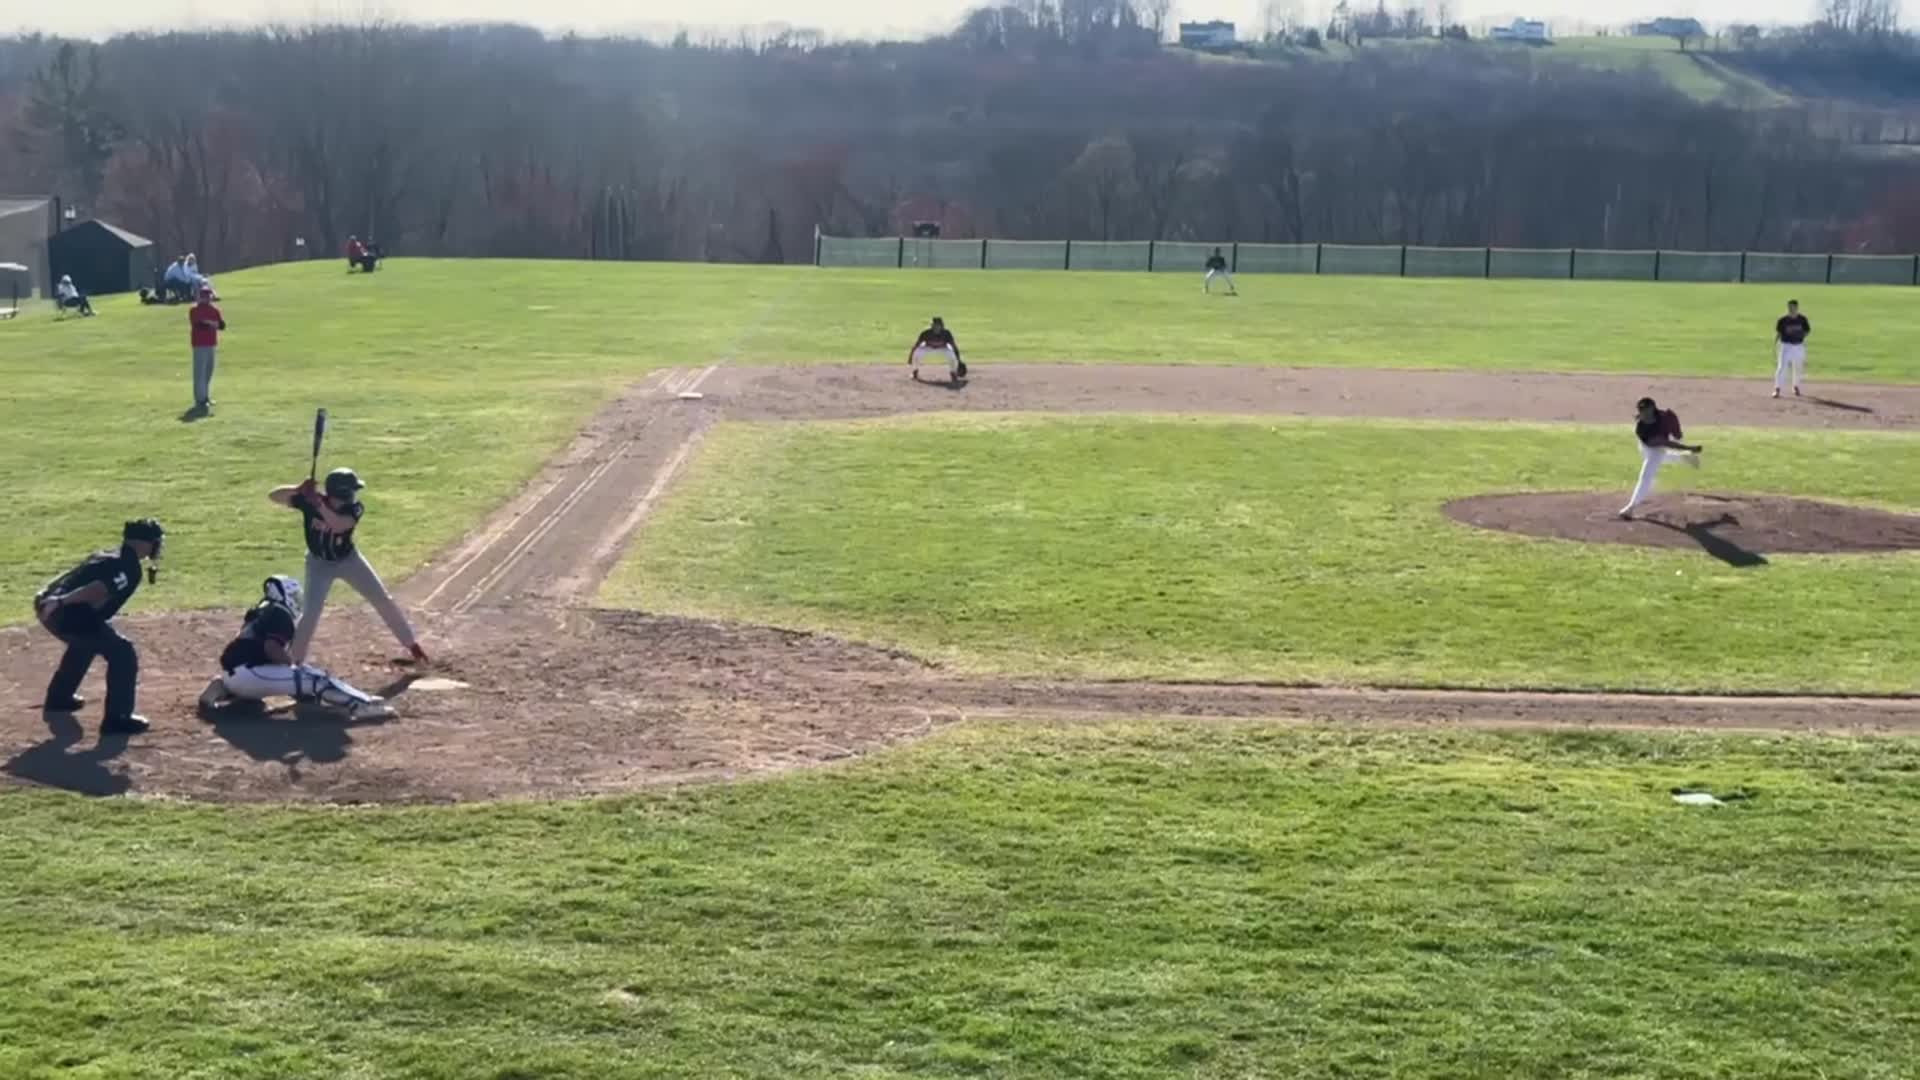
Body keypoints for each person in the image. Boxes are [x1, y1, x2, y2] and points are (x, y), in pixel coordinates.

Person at [271, 467, 428, 665]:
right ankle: (293, 663)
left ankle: (412, 645)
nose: (355, 494)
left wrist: (317, 502)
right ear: (344, 492)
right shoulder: (310, 502)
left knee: (381, 599)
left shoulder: (354, 509)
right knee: (310, 614)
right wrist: (297, 489)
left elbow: (339, 524)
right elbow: (274, 496)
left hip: (349, 561)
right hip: (318, 565)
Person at [33, 519, 166, 735]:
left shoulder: (107, 554)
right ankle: (118, 718)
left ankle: (59, 698)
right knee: (123, 652)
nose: (157, 546)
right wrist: (61, 601)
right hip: (66, 612)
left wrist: (48, 596)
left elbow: (71, 575)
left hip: (51, 607)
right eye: (154, 542)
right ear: (142, 543)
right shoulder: (128, 566)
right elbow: (98, 588)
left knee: (86, 643)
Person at [198, 575, 395, 720]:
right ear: (285, 595)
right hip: (251, 676)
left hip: (236, 673)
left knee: (299, 679)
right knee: (316, 679)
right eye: (295, 595)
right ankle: (360, 706)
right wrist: (294, 669)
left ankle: (221, 687)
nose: (298, 600)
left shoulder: (262, 610)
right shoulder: (280, 614)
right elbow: (272, 649)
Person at [1617, 397, 1703, 521]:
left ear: (1652, 408)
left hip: (1658, 449)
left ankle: (1631, 507)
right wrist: (1689, 448)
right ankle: (1685, 457)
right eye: (1641, 411)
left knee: (1646, 474)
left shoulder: (1665, 418)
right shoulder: (1641, 428)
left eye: (1645, 410)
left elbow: (1673, 438)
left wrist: (1677, 432)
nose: (1643, 414)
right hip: (1647, 445)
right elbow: (1666, 443)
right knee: (1658, 459)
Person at [188, 284, 225, 413]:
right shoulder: (194, 310)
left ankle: (205, 396)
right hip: (199, 344)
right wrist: (211, 323)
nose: (206, 298)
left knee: (208, 371)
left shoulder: (214, 310)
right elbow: (199, 325)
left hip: (211, 343)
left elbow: (222, 325)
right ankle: (200, 399)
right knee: (199, 373)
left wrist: (211, 323)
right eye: (204, 296)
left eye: (208, 295)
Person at [908, 316, 966, 383]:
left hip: (943, 347)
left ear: (941, 326)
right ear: (932, 326)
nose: (936, 327)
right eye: (934, 325)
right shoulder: (925, 333)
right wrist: (910, 357)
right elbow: (915, 346)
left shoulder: (946, 333)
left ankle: (953, 373)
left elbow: (954, 346)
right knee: (917, 352)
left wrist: (958, 359)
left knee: (951, 355)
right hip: (928, 347)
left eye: (938, 325)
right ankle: (915, 372)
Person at [1774, 299, 1811, 399]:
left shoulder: (1802, 319)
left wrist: (1800, 337)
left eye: (1793, 307)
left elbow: (1807, 331)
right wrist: (1776, 344)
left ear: (1797, 308)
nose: (1791, 309)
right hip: (1786, 346)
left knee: (1798, 367)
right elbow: (1779, 333)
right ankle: (1777, 389)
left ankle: (1795, 386)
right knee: (1782, 368)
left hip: (1799, 346)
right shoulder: (1782, 320)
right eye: (1789, 307)